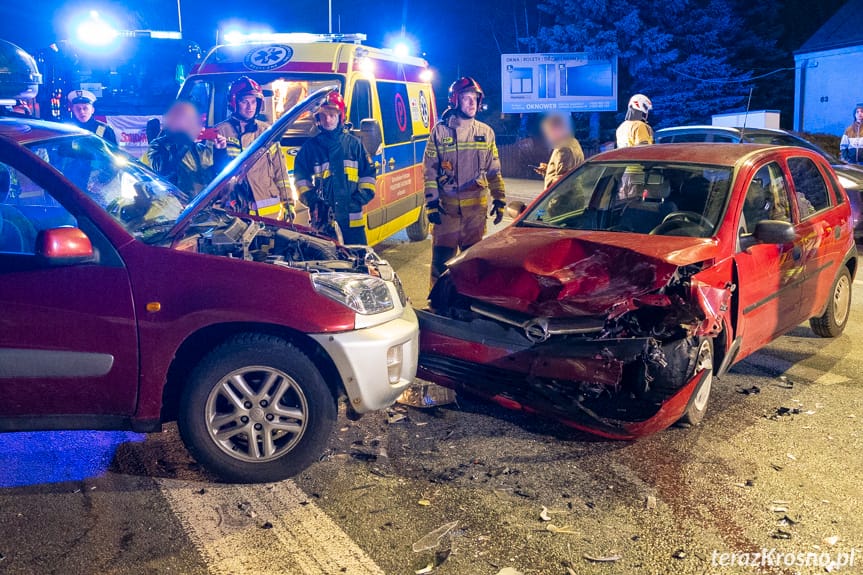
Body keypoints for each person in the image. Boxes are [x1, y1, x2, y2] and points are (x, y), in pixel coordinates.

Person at [423, 76, 506, 287]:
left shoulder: (486, 133)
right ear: (455, 100)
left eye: (475, 99)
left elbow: (494, 171)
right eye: (467, 98)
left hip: (475, 217)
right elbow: (430, 171)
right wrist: (431, 204)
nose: (472, 103)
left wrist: (500, 200)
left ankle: (468, 306)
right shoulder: (440, 132)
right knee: (441, 264)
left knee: (471, 266)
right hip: (446, 215)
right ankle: (438, 305)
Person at [294, 90, 376, 244]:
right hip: (323, 222)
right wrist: (313, 200)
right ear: (317, 118)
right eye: (323, 115)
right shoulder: (310, 147)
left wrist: (358, 199)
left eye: (332, 115)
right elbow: (300, 178)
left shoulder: (354, 145)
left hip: (352, 222)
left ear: (340, 116)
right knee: (326, 263)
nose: (328, 120)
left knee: (358, 260)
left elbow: (368, 175)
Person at [215, 76, 293, 220]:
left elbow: (280, 171)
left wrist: (288, 203)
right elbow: (211, 173)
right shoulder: (219, 132)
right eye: (244, 101)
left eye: (253, 102)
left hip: (268, 213)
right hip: (233, 211)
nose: (250, 107)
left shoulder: (267, 132)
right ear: (234, 102)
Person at [143, 100, 228, 199]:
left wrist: (220, 151)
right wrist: (186, 142)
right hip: (176, 208)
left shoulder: (200, 148)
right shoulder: (159, 145)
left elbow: (217, 174)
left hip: (203, 206)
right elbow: (163, 171)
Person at [535, 113, 585, 188]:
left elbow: (561, 183)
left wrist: (549, 178)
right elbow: (569, 172)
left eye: (548, 131)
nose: (548, 136)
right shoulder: (573, 142)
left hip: (566, 198)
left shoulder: (563, 148)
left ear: (557, 129)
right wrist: (548, 169)